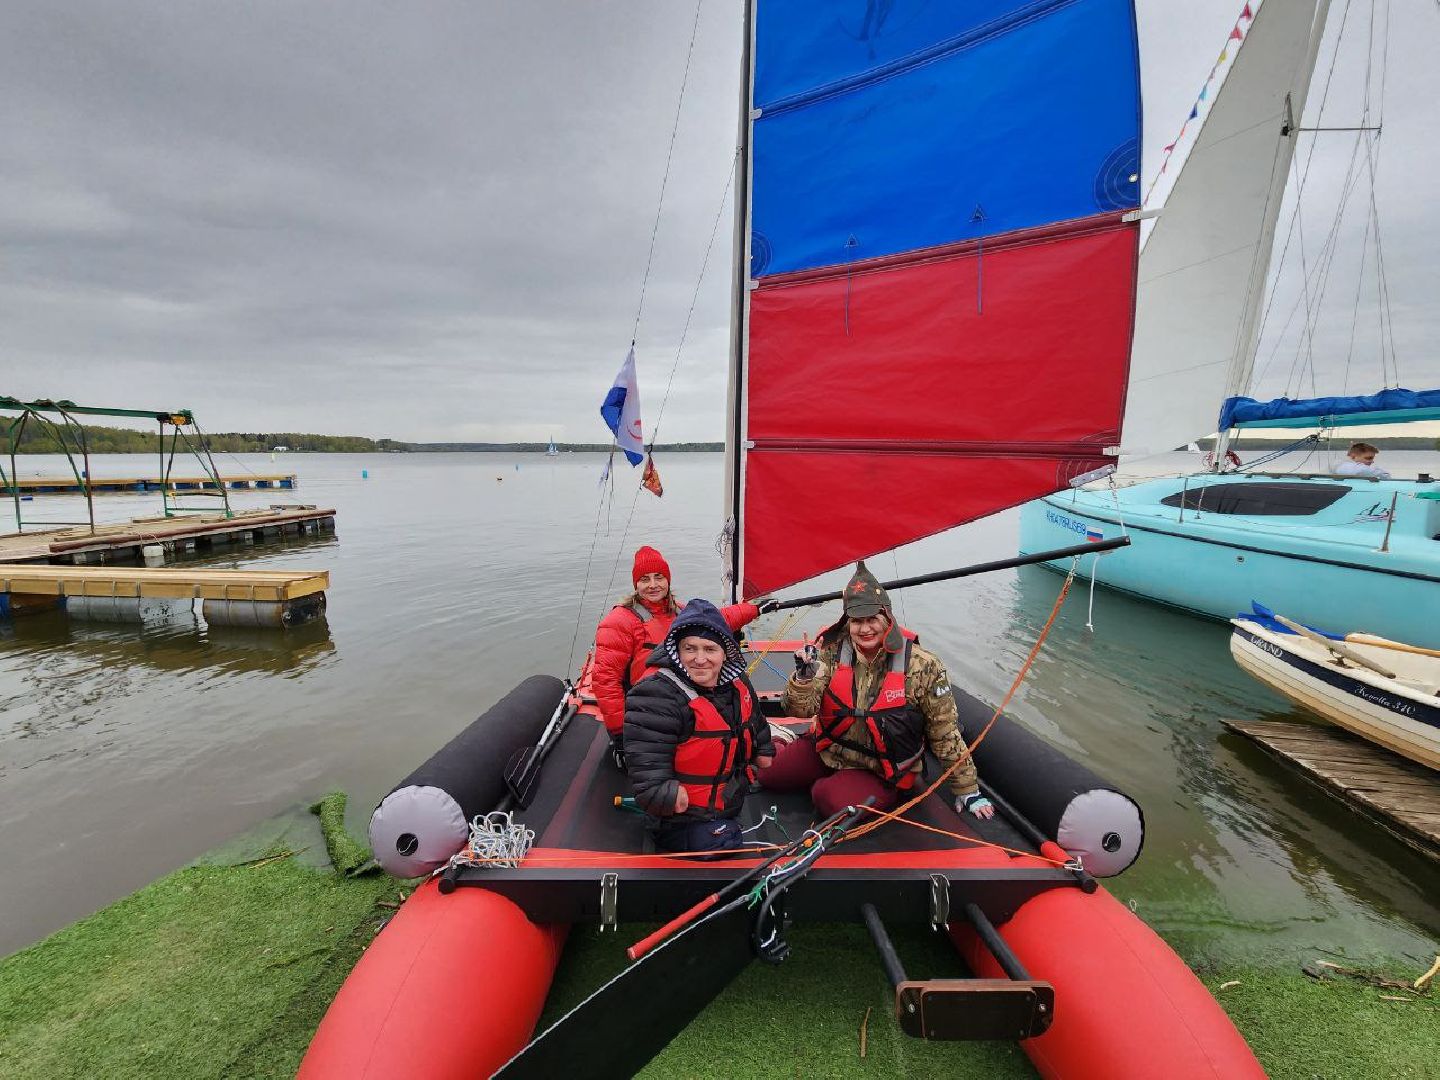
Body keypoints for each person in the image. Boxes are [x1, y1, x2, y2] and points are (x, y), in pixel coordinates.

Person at [760, 562, 994, 822]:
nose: (865, 629)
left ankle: (855, 786)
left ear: (887, 619)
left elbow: (944, 732)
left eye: (872, 619)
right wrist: (803, 678)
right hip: (828, 748)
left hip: (881, 769)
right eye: (857, 621)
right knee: (768, 773)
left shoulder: (923, 665)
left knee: (826, 798)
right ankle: (785, 741)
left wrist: (967, 789)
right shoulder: (830, 652)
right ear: (847, 622)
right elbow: (800, 710)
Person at [622, 599, 774, 854]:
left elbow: (755, 721)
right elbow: (647, 764)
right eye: (690, 649)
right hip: (681, 817)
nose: (700, 659)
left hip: (728, 798)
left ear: (725, 652)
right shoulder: (656, 695)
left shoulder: (738, 683)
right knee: (722, 843)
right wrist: (665, 794)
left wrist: (765, 748)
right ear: (677, 650)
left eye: (710, 649)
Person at [592, 546, 770, 758]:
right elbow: (606, 681)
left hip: (683, 706)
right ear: (635, 585)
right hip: (647, 714)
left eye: (659, 577)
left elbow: (718, 619)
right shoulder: (619, 622)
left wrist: (755, 609)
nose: (653, 585)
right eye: (645, 579)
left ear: (668, 580)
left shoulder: (679, 612)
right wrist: (621, 734)